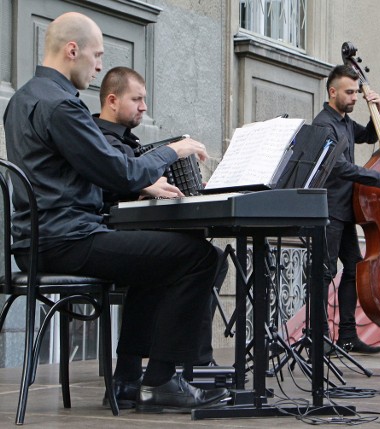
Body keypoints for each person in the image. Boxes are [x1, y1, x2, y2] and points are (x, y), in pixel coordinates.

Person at [2, 12, 229, 413]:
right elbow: (121, 171)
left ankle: (126, 381)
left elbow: (98, 170)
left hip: (39, 242)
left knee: (155, 258)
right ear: (73, 51)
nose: (100, 65)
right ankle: (161, 380)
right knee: (199, 256)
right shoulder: (62, 107)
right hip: (68, 240)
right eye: (97, 55)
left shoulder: (22, 100)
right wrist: (173, 150)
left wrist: (139, 176)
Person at [93, 66, 228, 404]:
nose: (143, 107)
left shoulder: (124, 141)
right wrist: (140, 187)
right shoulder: (98, 138)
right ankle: (165, 374)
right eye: (136, 99)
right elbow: (111, 184)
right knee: (197, 259)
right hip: (95, 239)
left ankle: (129, 376)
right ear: (112, 100)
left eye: (144, 100)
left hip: (109, 236)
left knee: (185, 260)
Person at [312, 65, 380, 354]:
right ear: (332, 92)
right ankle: (319, 338)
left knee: (353, 267)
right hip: (328, 209)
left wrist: (378, 109)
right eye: (349, 92)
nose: (353, 97)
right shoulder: (324, 124)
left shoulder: (346, 122)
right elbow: (339, 167)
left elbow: (371, 137)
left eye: (355, 92)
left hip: (346, 210)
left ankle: (347, 335)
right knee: (324, 273)